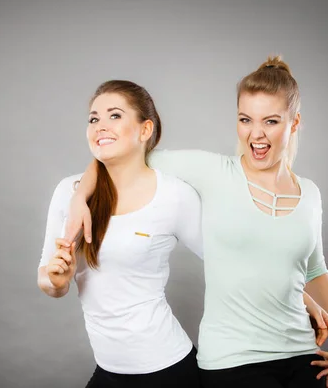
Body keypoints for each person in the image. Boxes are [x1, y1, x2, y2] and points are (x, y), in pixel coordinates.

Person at [65, 57, 328, 388]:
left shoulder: (310, 194)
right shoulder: (212, 172)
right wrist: (78, 198)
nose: (256, 134)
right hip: (234, 360)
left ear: (294, 122)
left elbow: (314, 268)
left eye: (271, 121)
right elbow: (123, 155)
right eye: (245, 120)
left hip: (304, 356)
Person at [37, 80, 204, 388]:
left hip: (170, 371)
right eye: (93, 118)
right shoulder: (69, 194)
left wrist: (301, 305)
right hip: (109, 372)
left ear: (145, 130)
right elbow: (48, 280)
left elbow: (229, 262)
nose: (100, 126)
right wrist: (57, 281)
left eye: (115, 115)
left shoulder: (174, 195)